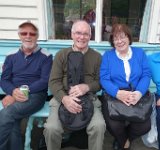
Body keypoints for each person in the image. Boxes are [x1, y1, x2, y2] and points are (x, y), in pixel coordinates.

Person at [43, 20, 106, 150]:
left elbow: (100, 82)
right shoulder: (61, 55)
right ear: (72, 35)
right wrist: (65, 99)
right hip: (63, 97)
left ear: (90, 36)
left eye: (85, 34)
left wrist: (87, 87)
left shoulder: (97, 57)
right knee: (51, 128)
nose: (81, 37)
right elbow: (53, 81)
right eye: (78, 33)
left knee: (99, 126)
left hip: (89, 98)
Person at [0, 21, 53, 150]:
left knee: (6, 114)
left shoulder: (46, 56)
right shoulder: (11, 56)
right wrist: (12, 92)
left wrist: (20, 93)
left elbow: (44, 81)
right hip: (14, 93)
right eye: (24, 33)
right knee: (12, 122)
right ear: (19, 35)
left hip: (36, 95)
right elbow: (4, 79)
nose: (28, 36)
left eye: (32, 33)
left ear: (37, 36)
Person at [100, 24, 151, 150]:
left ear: (129, 38)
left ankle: (125, 139)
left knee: (144, 126)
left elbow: (146, 75)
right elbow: (104, 78)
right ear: (112, 41)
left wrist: (139, 92)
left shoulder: (140, 53)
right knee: (114, 124)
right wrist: (117, 93)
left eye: (122, 37)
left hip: (135, 94)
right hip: (115, 94)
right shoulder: (107, 55)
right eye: (115, 38)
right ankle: (123, 142)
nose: (119, 41)